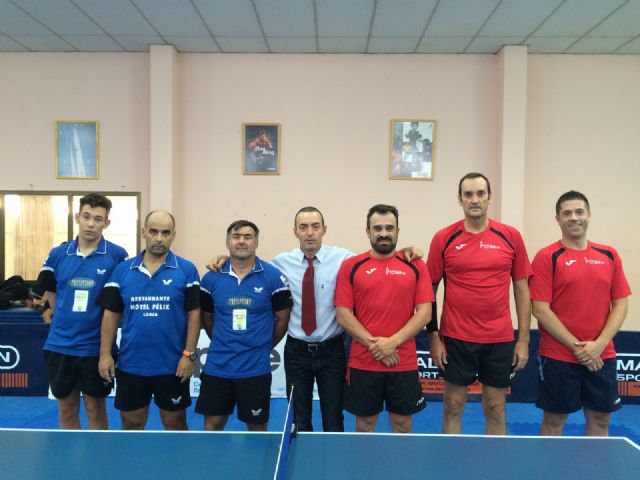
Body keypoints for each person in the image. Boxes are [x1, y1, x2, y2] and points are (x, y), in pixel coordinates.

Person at [426, 172, 531, 435]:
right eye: (468, 194)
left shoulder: (511, 236)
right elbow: (429, 290)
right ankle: (452, 464)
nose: (475, 200)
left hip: (499, 338)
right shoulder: (443, 238)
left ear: (489, 197)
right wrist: (434, 337)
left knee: (496, 406)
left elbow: (521, 289)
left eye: (480, 194)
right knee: (453, 405)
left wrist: (524, 340)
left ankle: (494, 467)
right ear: (459, 199)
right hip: (456, 337)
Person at [530, 191, 630, 436]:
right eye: (567, 213)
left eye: (579, 212)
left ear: (589, 216)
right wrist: (581, 349)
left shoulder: (609, 255)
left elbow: (621, 304)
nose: (574, 218)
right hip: (558, 356)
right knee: (555, 420)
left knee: (600, 418)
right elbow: (541, 309)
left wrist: (599, 345)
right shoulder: (547, 256)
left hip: (602, 354)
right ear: (558, 219)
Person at [97, 210, 201, 430]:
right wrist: (105, 354)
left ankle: (177, 466)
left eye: (165, 232)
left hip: (173, 365)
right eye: (153, 231)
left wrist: (189, 355)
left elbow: (194, 313)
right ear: (143, 232)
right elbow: (111, 314)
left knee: (175, 422)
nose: (159, 238)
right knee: (132, 422)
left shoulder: (187, 270)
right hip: (131, 364)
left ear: (174, 235)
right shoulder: (122, 270)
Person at [32, 193, 128, 429]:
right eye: (86, 217)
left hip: (95, 348)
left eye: (98, 219)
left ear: (106, 223)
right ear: (77, 217)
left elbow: (122, 298)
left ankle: (98, 464)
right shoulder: (58, 254)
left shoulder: (117, 256)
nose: (91, 224)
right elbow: (45, 292)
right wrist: (50, 312)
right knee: (66, 410)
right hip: (60, 346)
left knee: (96, 410)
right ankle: (68, 465)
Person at [335, 204, 433, 433]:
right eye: (377, 228)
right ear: (367, 232)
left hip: (403, 361)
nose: (383, 233)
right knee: (365, 424)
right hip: (363, 361)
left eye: (389, 228)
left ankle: (398, 468)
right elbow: (343, 314)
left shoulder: (415, 264)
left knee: (402, 424)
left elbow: (425, 313)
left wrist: (393, 343)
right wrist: (377, 346)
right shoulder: (351, 266)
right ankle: (365, 469)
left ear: (398, 230)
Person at [196, 220, 292, 431]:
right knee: (212, 425)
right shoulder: (211, 278)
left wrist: (264, 345)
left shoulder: (273, 277)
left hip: (255, 369)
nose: (242, 241)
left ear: (256, 242)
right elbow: (207, 318)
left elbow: (282, 319)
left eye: (248, 237)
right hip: (217, 367)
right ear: (228, 242)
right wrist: (222, 341)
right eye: (236, 236)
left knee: (257, 428)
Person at [272, 207, 353, 432]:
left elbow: (375, 260)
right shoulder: (280, 262)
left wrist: (405, 251)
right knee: (299, 420)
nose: (310, 232)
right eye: (303, 227)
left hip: (333, 351)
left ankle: (334, 465)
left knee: (334, 419)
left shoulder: (344, 259)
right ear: (295, 231)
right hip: (296, 352)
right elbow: (250, 267)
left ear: (324, 230)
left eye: (315, 227)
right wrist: (222, 259)